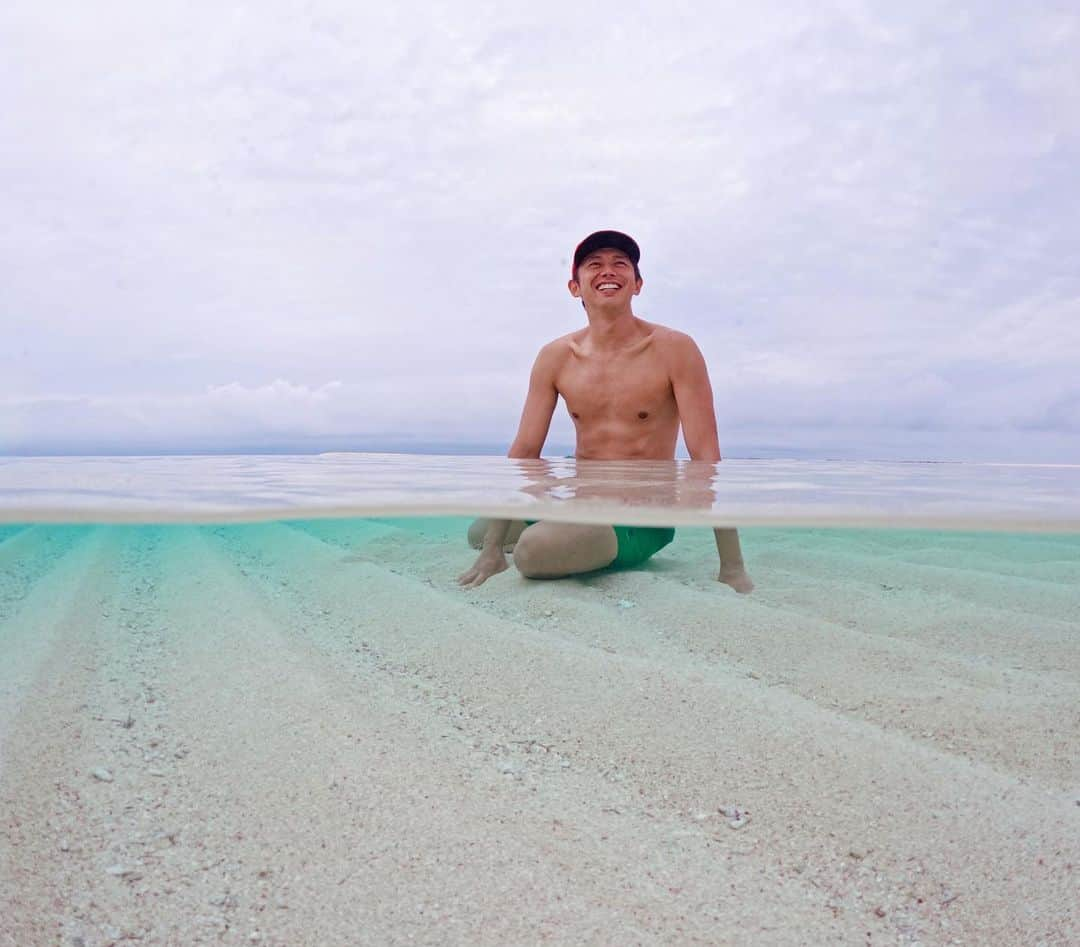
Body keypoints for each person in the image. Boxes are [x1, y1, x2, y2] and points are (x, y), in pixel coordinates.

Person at [457, 230, 753, 593]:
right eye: (594, 265)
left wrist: (732, 567)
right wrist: (491, 552)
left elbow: (706, 458)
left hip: (639, 516)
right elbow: (524, 453)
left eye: (620, 264)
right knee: (479, 533)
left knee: (532, 554)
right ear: (574, 287)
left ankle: (559, 538)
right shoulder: (555, 357)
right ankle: (559, 532)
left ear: (638, 283)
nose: (608, 271)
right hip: (579, 498)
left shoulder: (676, 349)